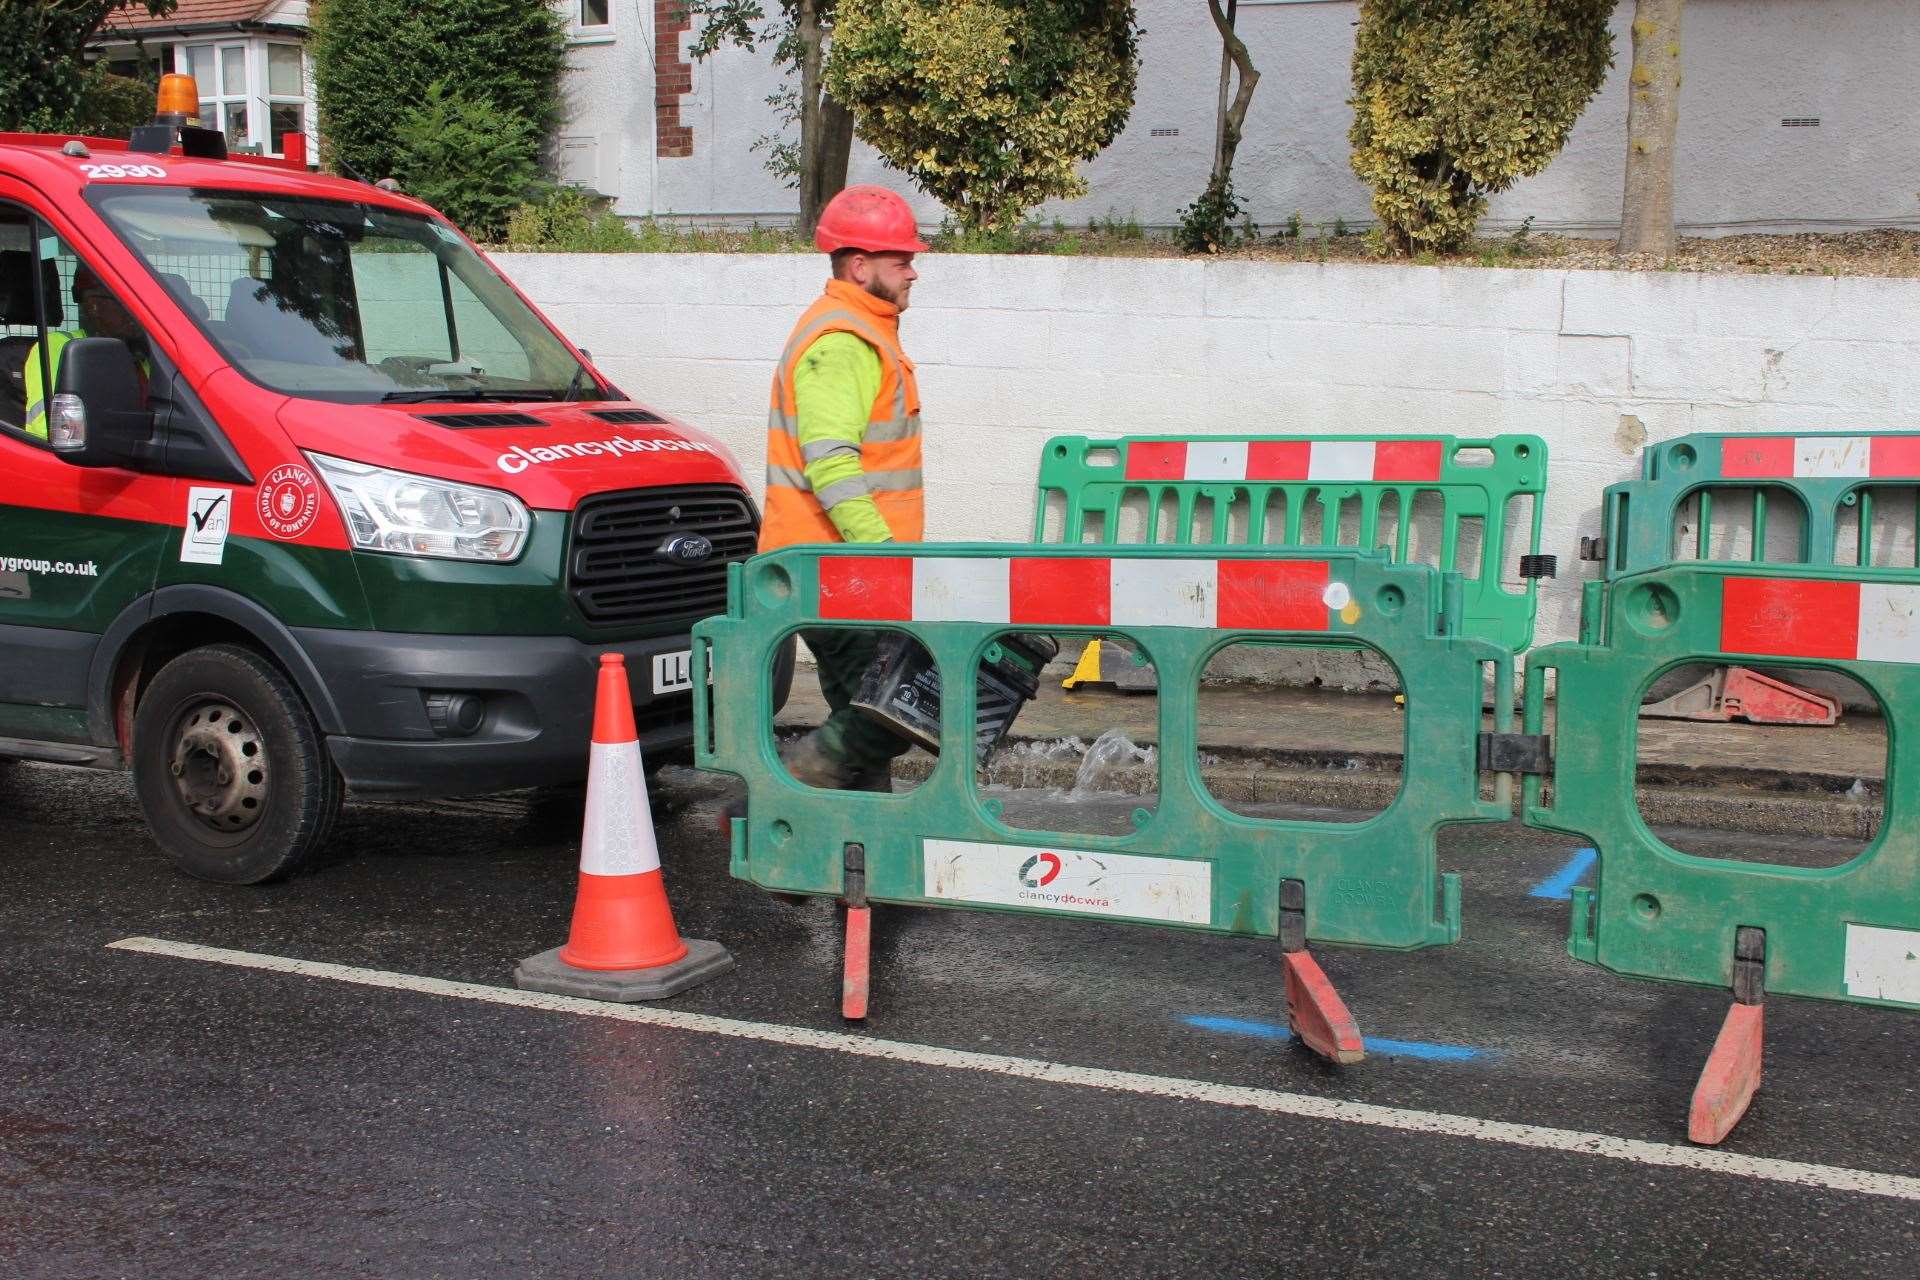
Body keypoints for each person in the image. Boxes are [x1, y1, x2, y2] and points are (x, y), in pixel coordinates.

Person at [760, 185, 928, 792]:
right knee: (896, 709)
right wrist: (884, 559)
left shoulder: (862, 330)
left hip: (839, 570)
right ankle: (789, 787)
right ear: (859, 265)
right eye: (901, 260)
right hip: (839, 571)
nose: (913, 271)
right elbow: (830, 463)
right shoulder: (842, 342)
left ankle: (856, 878)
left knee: (866, 726)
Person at [23, 264, 144, 440]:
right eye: (124, 301)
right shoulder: (60, 346)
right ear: (92, 305)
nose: (134, 311)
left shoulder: (145, 356)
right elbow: (55, 429)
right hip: (69, 462)